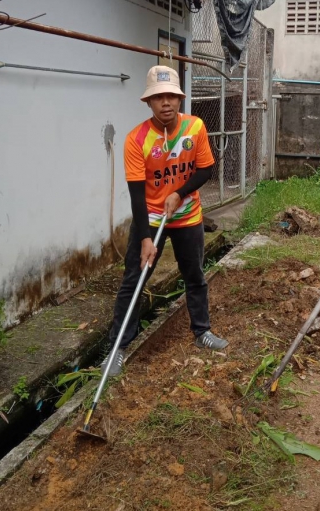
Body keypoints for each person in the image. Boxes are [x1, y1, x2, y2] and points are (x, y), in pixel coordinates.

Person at [102, 65, 228, 377]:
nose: (166, 102)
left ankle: (202, 332)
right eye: (159, 97)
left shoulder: (195, 127)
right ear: (149, 102)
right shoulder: (136, 140)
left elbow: (205, 170)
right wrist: (145, 237)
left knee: (195, 274)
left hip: (187, 216)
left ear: (180, 98)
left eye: (172, 95)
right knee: (135, 279)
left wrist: (180, 193)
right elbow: (136, 194)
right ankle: (118, 347)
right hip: (152, 218)